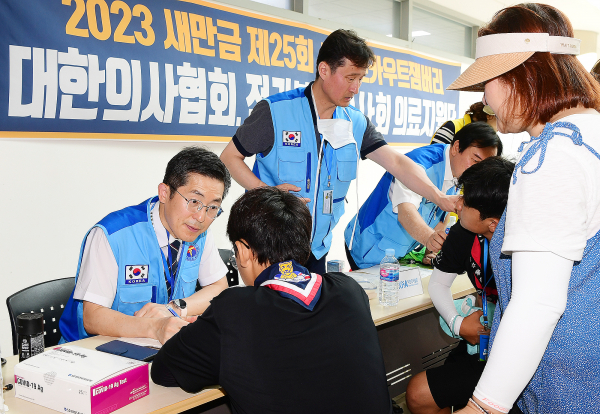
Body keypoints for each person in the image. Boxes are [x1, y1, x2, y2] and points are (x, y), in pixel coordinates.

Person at [447, 4, 600, 414]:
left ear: (521, 75)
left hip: (565, 388)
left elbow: (537, 303)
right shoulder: (590, 136)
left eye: (489, 82)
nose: (485, 97)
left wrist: (482, 406)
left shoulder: (553, 157)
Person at [220, 29, 457, 274]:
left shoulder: (355, 123)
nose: (355, 88)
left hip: (315, 250)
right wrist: (267, 193)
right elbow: (229, 157)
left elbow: (397, 163)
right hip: (269, 246)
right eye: (350, 78)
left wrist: (439, 197)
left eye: (361, 79)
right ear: (324, 70)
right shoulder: (276, 111)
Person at [151, 187, 393, 414]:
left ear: (243, 251)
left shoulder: (234, 310)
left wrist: (197, 337)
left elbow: (164, 372)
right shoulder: (348, 289)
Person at [59, 147, 231, 344]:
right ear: (164, 193)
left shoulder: (197, 232)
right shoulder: (112, 235)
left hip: (157, 353)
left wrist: (176, 307)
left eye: (212, 207)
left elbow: (219, 287)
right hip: (92, 355)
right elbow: (92, 317)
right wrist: (155, 327)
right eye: (194, 201)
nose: (201, 217)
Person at [406, 157, 517, 414]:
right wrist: (458, 324)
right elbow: (438, 284)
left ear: (493, 223)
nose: (457, 204)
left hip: (516, 350)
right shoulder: (463, 233)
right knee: (419, 394)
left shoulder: (525, 249)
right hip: (482, 341)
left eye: (466, 202)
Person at [345, 122, 502, 270]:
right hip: (368, 246)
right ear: (456, 147)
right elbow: (406, 213)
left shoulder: (462, 170)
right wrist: (429, 238)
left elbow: (443, 212)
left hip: (396, 252)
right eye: (476, 160)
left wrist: (431, 250)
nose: (479, 170)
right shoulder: (419, 164)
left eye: (484, 165)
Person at [431, 102, 497, 145]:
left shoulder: (489, 137)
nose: (501, 125)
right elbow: (433, 155)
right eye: (500, 119)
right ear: (489, 116)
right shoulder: (452, 127)